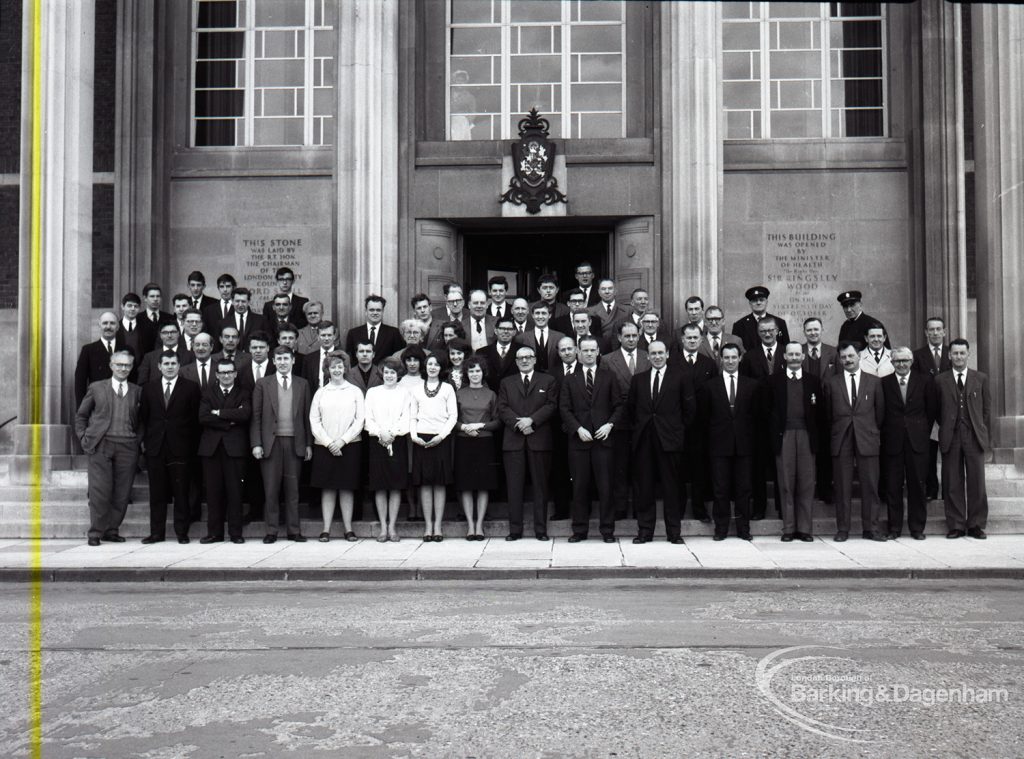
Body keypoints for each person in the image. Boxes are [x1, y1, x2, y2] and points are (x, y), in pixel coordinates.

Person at [628, 340, 696, 544]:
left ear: (667, 354)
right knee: (644, 488)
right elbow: (631, 410)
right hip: (645, 442)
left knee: (672, 488)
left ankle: (674, 533)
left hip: (670, 441)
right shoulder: (638, 380)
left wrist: (677, 431)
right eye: (653, 353)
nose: (657, 356)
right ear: (647, 356)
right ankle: (645, 531)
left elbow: (690, 411)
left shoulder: (681, 377)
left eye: (660, 352)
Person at [559, 336, 624, 542]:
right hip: (579, 441)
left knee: (605, 486)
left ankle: (607, 531)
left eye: (592, 350)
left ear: (598, 352)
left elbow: (619, 405)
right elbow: (564, 408)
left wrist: (610, 424)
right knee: (579, 487)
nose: (588, 354)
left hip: (603, 440)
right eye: (584, 350)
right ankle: (579, 531)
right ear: (578, 353)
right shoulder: (570, 379)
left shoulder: (609, 376)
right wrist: (577, 428)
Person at [74, 350, 142, 546]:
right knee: (99, 490)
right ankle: (95, 532)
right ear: (111, 366)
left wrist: (137, 441)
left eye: (127, 365)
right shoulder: (96, 388)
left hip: (127, 446)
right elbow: (81, 416)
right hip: (101, 444)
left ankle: (112, 530)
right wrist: (84, 438)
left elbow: (142, 421)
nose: (123, 368)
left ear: (131, 367)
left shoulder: (137, 391)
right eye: (119, 365)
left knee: (122, 492)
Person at [824, 342, 886, 542]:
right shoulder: (832, 383)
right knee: (842, 486)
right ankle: (843, 529)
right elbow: (828, 414)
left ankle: (871, 529)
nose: (847, 360)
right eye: (843, 358)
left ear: (859, 356)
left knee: (870, 485)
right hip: (841, 439)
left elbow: (880, 413)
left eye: (851, 356)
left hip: (867, 437)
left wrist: (869, 431)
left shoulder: (874, 382)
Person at [251, 346, 313, 543]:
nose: (283, 362)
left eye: (286, 358)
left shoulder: (302, 384)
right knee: (271, 489)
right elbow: (256, 416)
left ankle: (294, 530)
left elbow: (306, 416)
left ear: (293, 360)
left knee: (293, 489)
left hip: (295, 442)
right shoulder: (263, 383)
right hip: (271, 442)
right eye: (279, 359)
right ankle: (272, 531)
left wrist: (308, 444)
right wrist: (257, 443)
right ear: (274, 361)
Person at [139, 351, 201, 544]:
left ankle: (182, 533)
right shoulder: (149, 388)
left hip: (181, 447)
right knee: (157, 493)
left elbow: (195, 420)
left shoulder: (190, 388)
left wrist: (191, 446)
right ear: (159, 366)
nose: (169, 366)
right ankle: (156, 533)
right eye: (166, 363)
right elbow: (144, 418)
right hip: (156, 447)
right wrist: (145, 444)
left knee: (181, 492)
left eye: (173, 363)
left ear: (179, 365)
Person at [497, 345, 558, 541]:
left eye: (528, 357)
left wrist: (531, 421)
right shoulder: (506, 382)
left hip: (539, 439)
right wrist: (519, 424)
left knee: (541, 487)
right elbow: (503, 407)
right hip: (513, 441)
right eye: (520, 358)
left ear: (534, 359)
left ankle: (541, 530)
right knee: (514, 487)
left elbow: (551, 405)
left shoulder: (547, 380)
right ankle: (515, 530)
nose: (524, 360)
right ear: (515, 361)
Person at [766, 342, 824, 542]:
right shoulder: (774, 381)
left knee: (806, 483)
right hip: (785, 436)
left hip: (806, 436)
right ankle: (789, 529)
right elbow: (768, 412)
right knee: (786, 482)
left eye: (797, 354)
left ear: (803, 357)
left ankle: (805, 529)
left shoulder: (813, 381)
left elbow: (820, 413)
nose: (794, 358)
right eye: (790, 354)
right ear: (784, 357)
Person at [698, 343, 756, 541]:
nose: (730, 361)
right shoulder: (710, 386)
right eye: (726, 357)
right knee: (720, 488)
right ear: (720, 359)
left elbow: (756, 417)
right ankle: (720, 528)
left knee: (744, 488)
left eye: (734, 357)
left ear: (740, 358)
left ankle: (743, 529)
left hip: (744, 444)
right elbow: (704, 419)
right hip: (719, 445)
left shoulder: (751, 385)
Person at [936, 339, 990, 539]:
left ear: (969, 354)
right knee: (952, 480)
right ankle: (956, 525)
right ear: (949, 355)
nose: (958, 357)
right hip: (951, 434)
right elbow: (936, 410)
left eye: (962, 353)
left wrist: (976, 426)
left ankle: (976, 524)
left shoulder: (981, 378)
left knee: (977, 480)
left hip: (974, 435)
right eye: (955, 353)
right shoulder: (940, 380)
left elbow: (986, 409)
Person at [881, 347, 937, 540]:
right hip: (893, 441)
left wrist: (920, 431)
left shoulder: (925, 381)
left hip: (918, 441)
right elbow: (882, 412)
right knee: (893, 486)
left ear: (911, 361)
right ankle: (894, 528)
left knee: (917, 485)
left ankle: (917, 528)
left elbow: (931, 411)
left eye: (905, 360)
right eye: (897, 361)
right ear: (892, 362)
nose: (902, 364)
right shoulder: (884, 383)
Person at [309, 353, 365, 542]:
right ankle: (326, 529)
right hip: (325, 446)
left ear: (345, 368)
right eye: (333, 367)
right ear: (327, 370)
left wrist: (342, 441)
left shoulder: (355, 391)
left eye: (340, 366)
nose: (337, 370)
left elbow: (359, 420)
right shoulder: (321, 392)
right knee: (328, 488)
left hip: (349, 445)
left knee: (347, 487)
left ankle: (348, 529)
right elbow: (314, 421)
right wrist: (329, 442)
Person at [197, 358, 251, 544]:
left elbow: (245, 414)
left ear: (235, 373)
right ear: (217, 375)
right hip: (211, 449)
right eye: (222, 372)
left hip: (235, 449)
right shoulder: (207, 393)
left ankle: (236, 533)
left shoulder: (244, 392)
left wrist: (218, 413)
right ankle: (215, 533)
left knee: (235, 492)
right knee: (213, 493)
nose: (226, 375)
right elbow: (203, 417)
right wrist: (230, 421)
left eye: (229, 372)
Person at [408, 354, 458, 541]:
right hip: (421, 439)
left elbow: (452, 416)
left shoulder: (447, 389)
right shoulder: (415, 389)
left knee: (439, 483)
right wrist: (414, 436)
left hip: (441, 439)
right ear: (425, 366)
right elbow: (412, 415)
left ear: (441, 368)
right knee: (425, 483)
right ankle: (428, 526)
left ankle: (438, 527)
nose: (433, 367)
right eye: (430, 364)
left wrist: (441, 436)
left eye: (437, 364)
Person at [602, 321, 650, 517]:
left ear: (639, 336)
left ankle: (641, 508)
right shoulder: (607, 360)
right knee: (619, 467)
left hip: (643, 420)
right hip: (619, 421)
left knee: (642, 466)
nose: (631, 339)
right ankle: (620, 508)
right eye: (627, 336)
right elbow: (605, 392)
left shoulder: (648, 357)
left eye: (634, 336)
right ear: (619, 337)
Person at [673, 323, 716, 522]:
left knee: (700, 469)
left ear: (701, 339)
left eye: (695, 338)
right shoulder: (671, 361)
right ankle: (678, 508)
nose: (692, 341)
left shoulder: (709, 364)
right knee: (678, 469)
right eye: (688, 338)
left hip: (701, 426)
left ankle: (699, 509)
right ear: (682, 339)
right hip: (676, 425)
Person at [365, 358, 411, 542]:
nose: (389, 375)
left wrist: (392, 433)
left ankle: (392, 527)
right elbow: (368, 418)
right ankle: (383, 528)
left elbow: (406, 416)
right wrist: (380, 433)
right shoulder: (372, 393)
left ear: (398, 374)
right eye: (386, 372)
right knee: (380, 485)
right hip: (377, 441)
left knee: (395, 485)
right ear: (381, 373)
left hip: (397, 441)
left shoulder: (405, 392)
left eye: (393, 372)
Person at [454, 356, 501, 540]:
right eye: (471, 371)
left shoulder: (491, 394)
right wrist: (464, 427)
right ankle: (470, 526)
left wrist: (480, 426)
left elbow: (497, 421)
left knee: (483, 485)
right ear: (467, 373)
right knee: (465, 485)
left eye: (478, 370)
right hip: (463, 441)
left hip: (484, 442)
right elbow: (452, 418)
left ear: (483, 372)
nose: (475, 374)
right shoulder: (459, 393)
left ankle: (479, 526)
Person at [912, 316, 951, 501]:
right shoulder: (918, 355)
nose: (935, 333)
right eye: (931, 329)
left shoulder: (953, 353)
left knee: (949, 454)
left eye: (938, 329)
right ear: (926, 332)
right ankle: (931, 489)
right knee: (928, 455)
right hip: (926, 413)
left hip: (948, 412)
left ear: (944, 332)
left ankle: (948, 491)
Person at [75, 311, 126, 407]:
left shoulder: (127, 349)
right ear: (99, 325)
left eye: (112, 323)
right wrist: (82, 408)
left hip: (121, 403)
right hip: (97, 403)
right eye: (105, 323)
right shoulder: (88, 350)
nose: (108, 326)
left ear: (118, 327)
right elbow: (80, 382)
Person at [345, 294, 406, 364]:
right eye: (371, 310)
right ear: (366, 311)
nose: (375, 313)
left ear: (383, 312)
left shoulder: (393, 333)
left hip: (385, 373)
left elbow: (397, 359)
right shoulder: (353, 333)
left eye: (378, 310)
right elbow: (350, 360)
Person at [731, 286, 790, 352]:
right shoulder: (739, 325)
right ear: (750, 303)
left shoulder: (779, 322)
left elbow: (786, 348)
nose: (758, 303)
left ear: (766, 302)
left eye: (761, 300)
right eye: (754, 300)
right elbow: (735, 351)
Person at [137, 322, 194, 386]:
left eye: (173, 332)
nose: (169, 335)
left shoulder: (190, 356)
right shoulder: (149, 357)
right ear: (160, 335)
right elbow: (142, 383)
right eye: (165, 333)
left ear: (178, 334)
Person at [514, 302, 562, 372]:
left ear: (550, 315)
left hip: (554, 378)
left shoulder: (559, 337)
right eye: (537, 313)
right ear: (532, 315)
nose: (540, 316)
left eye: (543, 313)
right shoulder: (521, 338)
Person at [477, 318, 519, 392]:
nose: (505, 331)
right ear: (496, 331)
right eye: (502, 328)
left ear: (514, 332)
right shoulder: (482, 352)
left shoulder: (523, 350)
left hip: (515, 396)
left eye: (509, 329)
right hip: (489, 396)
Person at [302, 321, 341, 392]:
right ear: (318, 337)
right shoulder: (308, 359)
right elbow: (305, 385)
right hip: (316, 399)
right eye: (323, 335)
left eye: (329, 335)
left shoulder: (342, 356)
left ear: (334, 336)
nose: (326, 338)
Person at [202, 273, 237, 339]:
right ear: (218, 288)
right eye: (222, 286)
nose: (225, 290)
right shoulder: (208, 310)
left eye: (228, 286)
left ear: (233, 288)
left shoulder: (239, 308)